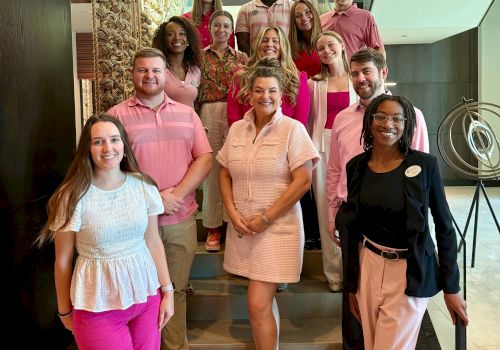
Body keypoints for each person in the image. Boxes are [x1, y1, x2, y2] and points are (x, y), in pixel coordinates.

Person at [339, 94, 469, 349]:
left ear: (407, 124)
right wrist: (352, 286)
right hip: (368, 266)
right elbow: (352, 230)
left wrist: (451, 287)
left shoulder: (425, 165)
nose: (388, 124)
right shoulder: (356, 167)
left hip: (408, 270)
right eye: (381, 116)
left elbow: (444, 227)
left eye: (398, 118)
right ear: (370, 121)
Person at [36, 114, 175, 350]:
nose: (108, 148)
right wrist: (64, 311)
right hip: (96, 306)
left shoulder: (143, 186)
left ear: (123, 144)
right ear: (87, 149)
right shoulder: (71, 196)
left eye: (114, 139)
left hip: (146, 297)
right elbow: (62, 261)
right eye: (98, 141)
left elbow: (153, 242)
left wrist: (168, 291)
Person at [108, 47, 213, 350]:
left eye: (156, 70)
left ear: (166, 74)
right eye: (142, 70)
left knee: (176, 289)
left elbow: (204, 158)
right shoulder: (116, 116)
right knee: (138, 291)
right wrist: (153, 198)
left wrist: (175, 195)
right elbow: (108, 167)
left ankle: (175, 346)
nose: (149, 76)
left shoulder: (186, 114)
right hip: (134, 223)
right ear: (133, 73)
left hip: (180, 217)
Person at [326, 48, 429, 349]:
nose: (360, 78)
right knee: (353, 296)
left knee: (396, 300)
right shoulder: (343, 119)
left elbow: (420, 171)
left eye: (366, 71)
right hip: (352, 214)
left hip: (394, 217)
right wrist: (333, 211)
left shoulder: (410, 115)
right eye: (355, 73)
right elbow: (334, 170)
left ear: (383, 73)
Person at [218, 59, 320, 350]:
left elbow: (302, 182)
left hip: (278, 229)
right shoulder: (237, 128)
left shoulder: (293, 129)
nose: (266, 96)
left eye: (272, 91)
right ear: (248, 94)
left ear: (281, 94)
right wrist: (231, 211)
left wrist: (266, 218)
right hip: (243, 228)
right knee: (261, 305)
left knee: (256, 301)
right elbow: (224, 171)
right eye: (260, 90)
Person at [307, 30, 356, 291]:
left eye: (330, 45)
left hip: (354, 147)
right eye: (320, 48)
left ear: (341, 45)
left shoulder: (355, 78)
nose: (326, 51)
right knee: (327, 208)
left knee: (353, 206)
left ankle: (355, 272)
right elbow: (310, 119)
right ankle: (334, 274)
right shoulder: (315, 84)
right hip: (323, 147)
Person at [198, 10, 248, 251]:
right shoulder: (198, 58)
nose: (221, 30)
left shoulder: (243, 58)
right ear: (210, 29)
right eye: (217, 25)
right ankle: (213, 227)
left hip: (237, 115)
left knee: (236, 169)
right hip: (209, 113)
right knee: (212, 171)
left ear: (231, 30)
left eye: (226, 26)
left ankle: (233, 223)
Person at [227, 26, 310, 128]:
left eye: (276, 41)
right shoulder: (241, 76)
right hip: (248, 138)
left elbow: (300, 120)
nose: (269, 44)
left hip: (285, 139)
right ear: (258, 45)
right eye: (264, 41)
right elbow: (233, 118)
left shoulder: (297, 78)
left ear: (283, 46)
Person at [152, 16, 201, 108]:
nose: (177, 38)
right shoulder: (156, 70)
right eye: (170, 34)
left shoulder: (195, 71)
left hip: (190, 121)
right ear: (163, 40)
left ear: (188, 40)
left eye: (182, 34)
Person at [320, 0, 385, 60]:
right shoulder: (321, 19)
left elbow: (378, 49)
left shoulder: (365, 17)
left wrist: (378, 71)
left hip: (353, 70)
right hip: (326, 71)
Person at [289, 0, 322, 78]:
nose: (304, 18)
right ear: (294, 21)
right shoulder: (290, 46)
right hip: (298, 89)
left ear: (314, 13)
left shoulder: (326, 40)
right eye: (298, 15)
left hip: (322, 89)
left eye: (307, 12)